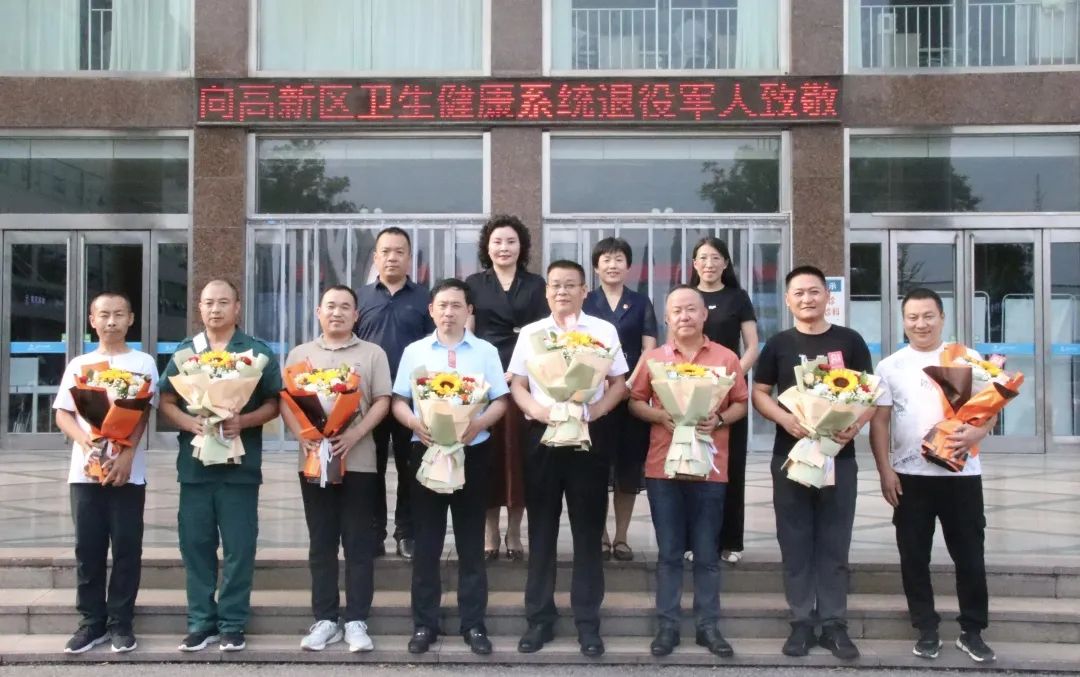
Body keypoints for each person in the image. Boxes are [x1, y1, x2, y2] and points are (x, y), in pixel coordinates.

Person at [751, 265, 873, 660]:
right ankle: (802, 621)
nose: (807, 298)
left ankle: (835, 623)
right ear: (788, 300)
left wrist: (854, 426)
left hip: (840, 456)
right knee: (795, 538)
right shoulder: (778, 344)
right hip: (791, 456)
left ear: (827, 296)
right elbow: (760, 392)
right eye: (799, 293)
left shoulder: (849, 341)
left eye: (814, 291)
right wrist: (784, 419)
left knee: (835, 540)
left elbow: (870, 395)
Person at [869, 288, 997, 663]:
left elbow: (990, 409)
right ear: (903, 321)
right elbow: (880, 423)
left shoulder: (966, 359)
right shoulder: (890, 366)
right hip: (910, 476)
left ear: (942, 317)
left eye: (928, 316)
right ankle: (926, 629)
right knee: (914, 557)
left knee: (970, 556)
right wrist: (885, 470)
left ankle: (972, 631)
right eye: (913, 317)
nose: (920, 324)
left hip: (962, 475)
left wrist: (977, 434)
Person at [508, 260, 629, 658]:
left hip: (588, 437)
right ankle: (539, 620)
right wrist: (539, 412)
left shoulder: (603, 331)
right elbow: (518, 384)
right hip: (541, 436)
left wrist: (594, 412)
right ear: (546, 292)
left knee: (588, 531)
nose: (562, 291)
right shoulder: (532, 333)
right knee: (541, 530)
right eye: (556, 285)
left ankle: (587, 623)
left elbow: (618, 383)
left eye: (570, 285)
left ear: (584, 291)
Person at [159, 279, 282, 653]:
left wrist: (243, 421)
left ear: (237, 307)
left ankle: (232, 623)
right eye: (209, 302)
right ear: (199, 307)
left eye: (223, 302)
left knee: (239, 548)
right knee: (195, 546)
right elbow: (166, 400)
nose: (216, 309)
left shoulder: (256, 352)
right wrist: (189, 423)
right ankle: (201, 622)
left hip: (239, 469)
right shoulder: (186, 352)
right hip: (195, 468)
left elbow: (274, 403)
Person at [391, 279, 510, 656]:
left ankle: (473, 624)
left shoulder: (486, 351)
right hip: (427, 452)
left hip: (472, 452)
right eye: (442, 305)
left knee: (471, 543)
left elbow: (501, 400)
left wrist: (479, 423)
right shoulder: (414, 351)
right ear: (431, 310)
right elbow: (398, 401)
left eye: (457, 305)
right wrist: (415, 424)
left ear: (469, 311)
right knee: (427, 543)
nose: (449, 312)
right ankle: (424, 624)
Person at [628, 286, 748, 658]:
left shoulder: (727, 358)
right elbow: (635, 401)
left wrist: (720, 419)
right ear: (667, 318)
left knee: (707, 552)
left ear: (704, 315)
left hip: (711, 468)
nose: (685, 316)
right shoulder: (654, 359)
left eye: (691, 309)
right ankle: (667, 627)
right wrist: (659, 414)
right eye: (677, 310)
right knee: (669, 552)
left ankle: (708, 627)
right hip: (663, 468)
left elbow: (741, 403)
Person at [281, 286, 392, 653]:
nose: (337, 312)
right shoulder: (300, 354)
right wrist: (304, 435)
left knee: (359, 543)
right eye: (330, 306)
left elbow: (383, 401)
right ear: (318, 312)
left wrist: (356, 433)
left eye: (345, 307)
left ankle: (357, 619)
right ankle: (326, 618)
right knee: (322, 541)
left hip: (359, 461)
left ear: (356, 315)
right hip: (315, 461)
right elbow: (287, 401)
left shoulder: (372, 354)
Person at [54, 292, 159, 655]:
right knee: (88, 549)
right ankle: (91, 623)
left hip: (128, 474)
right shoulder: (80, 364)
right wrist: (86, 441)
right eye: (104, 315)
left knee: (127, 548)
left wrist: (128, 454)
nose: (111, 321)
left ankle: (121, 623)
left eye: (118, 314)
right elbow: (63, 413)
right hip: (85, 473)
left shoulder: (143, 362)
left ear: (131, 319)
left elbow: (143, 413)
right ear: (92, 320)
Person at [465, 215, 546, 562]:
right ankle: (490, 532)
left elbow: (543, 334)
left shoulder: (537, 284)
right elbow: (468, 332)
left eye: (511, 241)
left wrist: (519, 371)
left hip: (525, 378)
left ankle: (514, 530)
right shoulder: (473, 283)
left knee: (519, 458)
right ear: (487, 246)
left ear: (521, 246)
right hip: (486, 379)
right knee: (489, 458)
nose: (504, 248)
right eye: (497, 241)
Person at [356, 227, 435, 560]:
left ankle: (407, 533)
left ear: (409, 258)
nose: (392, 257)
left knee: (410, 467)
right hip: (369, 398)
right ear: (375, 257)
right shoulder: (359, 298)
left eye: (399, 251)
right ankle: (373, 532)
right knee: (369, 468)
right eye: (385, 251)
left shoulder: (425, 299)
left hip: (411, 399)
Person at [582, 237, 657, 562]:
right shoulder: (586, 301)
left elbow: (649, 348)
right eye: (606, 260)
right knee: (595, 468)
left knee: (627, 468)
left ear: (628, 266)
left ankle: (622, 537)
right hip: (593, 395)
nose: (612, 265)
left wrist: (627, 383)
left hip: (630, 396)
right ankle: (600, 536)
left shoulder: (640, 302)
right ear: (596, 266)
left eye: (618, 260)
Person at [690, 236, 759, 565]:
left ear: (726, 263)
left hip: (730, 394)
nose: (709, 263)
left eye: (715, 257)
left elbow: (753, 346)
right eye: (703, 258)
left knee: (731, 466)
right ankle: (694, 541)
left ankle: (731, 541)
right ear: (694, 264)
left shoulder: (738, 297)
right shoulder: (687, 296)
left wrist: (730, 379)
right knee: (693, 465)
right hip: (690, 391)